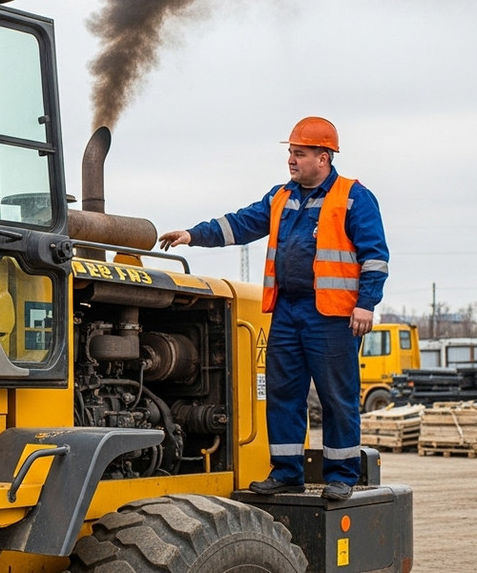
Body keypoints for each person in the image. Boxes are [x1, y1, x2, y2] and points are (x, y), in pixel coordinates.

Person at [158, 116, 388, 501]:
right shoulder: (281, 196)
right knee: (283, 394)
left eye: (299, 154)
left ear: (324, 157)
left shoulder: (353, 197)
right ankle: (286, 472)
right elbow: (241, 223)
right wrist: (193, 234)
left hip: (331, 316)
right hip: (287, 312)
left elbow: (375, 257)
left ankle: (342, 476)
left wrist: (366, 304)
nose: (291, 161)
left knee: (336, 397)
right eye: (290, 153)